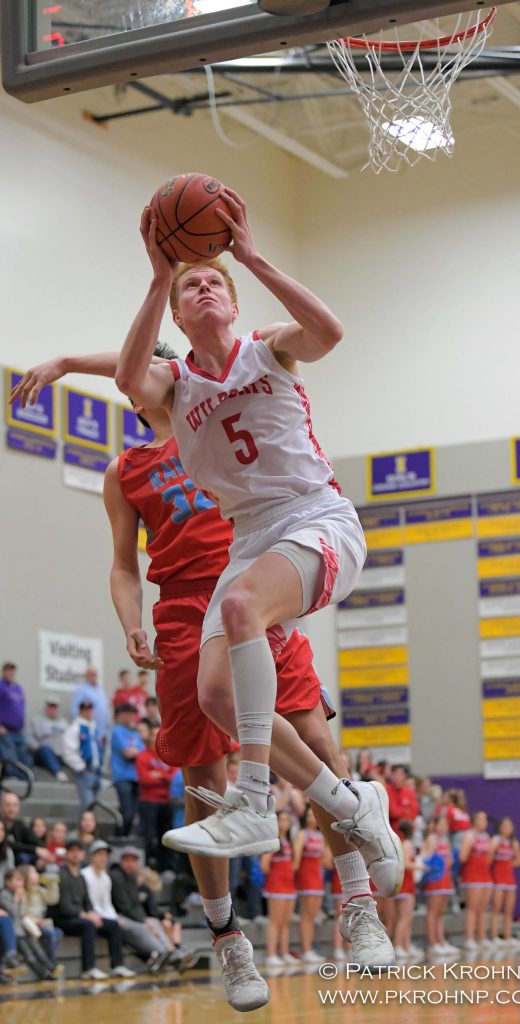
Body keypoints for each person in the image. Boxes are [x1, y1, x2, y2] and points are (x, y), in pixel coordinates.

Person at [12, 336, 399, 998]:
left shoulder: (214, 433)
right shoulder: (125, 470)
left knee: (317, 744)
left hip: (256, 587)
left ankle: (359, 905)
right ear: (136, 391)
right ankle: (228, 939)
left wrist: (72, 361)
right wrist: (131, 622)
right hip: (185, 615)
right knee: (204, 784)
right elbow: (121, 564)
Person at [51, 836, 129, 980]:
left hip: (80, 917)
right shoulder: (61, 874)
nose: (75, 854)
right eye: (72, 851)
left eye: (78, 851)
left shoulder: (81, 877)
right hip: (64, 919)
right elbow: (64, 906)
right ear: (66, 854)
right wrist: (85, 915)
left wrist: (93, 914)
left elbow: (88, 902)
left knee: (113, 925)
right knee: (88, 925)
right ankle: (88, 968)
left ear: (83, 854)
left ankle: (117, 965)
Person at [110, 846, 197, 973]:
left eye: (133, 860)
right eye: (127, 860)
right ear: (121, 861)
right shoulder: (116, 877)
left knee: (154, 922)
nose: (130, 864)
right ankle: (166, 953)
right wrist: (143, 921)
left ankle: (170, 952)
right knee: (146, 926)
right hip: (117, 915)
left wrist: (145, 919)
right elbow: (124, 906)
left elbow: (137, 906)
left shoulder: (132, 878)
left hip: (131, 915)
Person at [0, 868, 55, 979]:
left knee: (37, 949)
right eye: (17, 880)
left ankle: (50, 967)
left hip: (24, 929)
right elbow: (14, 912)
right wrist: (16, 899)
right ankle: (43, 973)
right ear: (7, 881)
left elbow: (22, 912)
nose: (20, 883)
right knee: (29, 955)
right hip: (15, 931)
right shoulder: (4, 895)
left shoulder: (20, 893)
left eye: (21, 880)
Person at [136, 726, 176, 872]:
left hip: (166, 801)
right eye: (153, 735)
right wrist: (164, 777)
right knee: (148, 835)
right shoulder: (143, 756)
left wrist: (159, 775)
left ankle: (164, 867)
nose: (156, 738)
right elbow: (145, 779)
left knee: (166, 836)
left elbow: (175, 777)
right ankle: (144, 865)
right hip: (148, 801)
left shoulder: (169, 756)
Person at [261, 811, 297, 967]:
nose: (284, 823)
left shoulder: (289, 841)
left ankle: (284, 952)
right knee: (275, 921)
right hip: (276, 884)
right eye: (281, 819)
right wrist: (276, 875)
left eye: (287, 820)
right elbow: (264, 865)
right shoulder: (272, 841)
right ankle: (271, 954)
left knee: (285, 921)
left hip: (289, 884)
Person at [421, 815, 458, 957]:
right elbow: (426, 858)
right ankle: (432, 943)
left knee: (440, 912)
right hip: (435, 880)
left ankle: (441, 941)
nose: (444, 827)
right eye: (441, 824)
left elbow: (449, 860)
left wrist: (449, 859)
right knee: (433, 912)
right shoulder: (432, 839)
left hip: (446, 879)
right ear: (435, 826)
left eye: (446, 825)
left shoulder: (446, 840)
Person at [293, 804, 325, 963]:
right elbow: (296, 860)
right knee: (306, 915)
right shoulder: (302, 834)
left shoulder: (321, 836)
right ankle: (306, 949)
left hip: (317, 877)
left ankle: (310, 948)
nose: (311, 818)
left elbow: (325, 861)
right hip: (306, 877)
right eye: (309, 816)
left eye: (314, 815)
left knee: (313, 915)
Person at [459, 811, 493, 951]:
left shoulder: (486, 836)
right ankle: (469, 938)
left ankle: (482, 937)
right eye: (481, 818)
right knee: (472, 908)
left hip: (485, 875)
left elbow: (489, 857)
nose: (484, 821)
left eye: (485, 819)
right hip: (472, 876)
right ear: (474, 820)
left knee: (483, 909)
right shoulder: (469, 835)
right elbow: (462, 857)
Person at [18, 864, 62, 969]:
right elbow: (21, 913)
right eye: (34, 872)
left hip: (40, 924)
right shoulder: (22, 892)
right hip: (28, 925)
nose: (38, 874)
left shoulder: (38, 890)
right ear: (25, 876)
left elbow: (53, 899)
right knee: (49, 933)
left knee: (58, 932)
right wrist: (36, 921)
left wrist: (52, 883)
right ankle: (51, 964)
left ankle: (48, 960)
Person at [110, 703, 145, 835]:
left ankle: (122, 837)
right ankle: (119, 837)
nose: (132, 717)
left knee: (132, 813)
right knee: (127, 812)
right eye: (130, 714)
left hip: (136, 777)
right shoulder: (117, 731)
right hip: (122, 777)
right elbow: (127, 753)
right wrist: (137, 752)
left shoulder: (135, 733)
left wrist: (136, 752)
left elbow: (142, 752)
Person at [62, 701, 103, 810]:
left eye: (90, 710)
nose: (89, 712)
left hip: (96, 771)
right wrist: (81, 767)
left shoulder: (95, 728)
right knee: (87, 806)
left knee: (94, 806)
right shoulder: (75, 728)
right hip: (85, 771)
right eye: (86, 710)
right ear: (81, 711)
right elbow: (68, 751)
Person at [490, 817, 520, 949]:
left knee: (509, 910)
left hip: (509, 879)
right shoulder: (496, 840)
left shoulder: (513, 842)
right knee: (496, 908)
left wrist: (507, 864)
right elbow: (488, 858)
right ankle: (494, 936)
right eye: (505, 826)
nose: (507, 829)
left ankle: (508, 935)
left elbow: (519, 860)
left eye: (509, 826)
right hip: (497, 878)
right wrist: (499, 863)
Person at [0, 792, 53, 867]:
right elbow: (10, 844)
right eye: (8, 805)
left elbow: (34, 840)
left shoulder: (19, 824)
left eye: (15, 805)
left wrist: (42, 852)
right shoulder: (0, 824)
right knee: (23, 857)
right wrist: (35, 849)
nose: (12, 809)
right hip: (4, 862)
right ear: (1, 806)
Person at [0, 663, 34, 780]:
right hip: (5, 730)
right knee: (10, 756)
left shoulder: (18, 688)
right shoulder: (1, 686)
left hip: (18, 731)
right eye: (8, 671)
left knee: (24, 756)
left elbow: (21, 707)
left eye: (12, 671)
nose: (11, 674)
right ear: (3, 671)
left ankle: (25, 779)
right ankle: (13, 778)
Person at [392, 820, 419, 960]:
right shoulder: (407, 844)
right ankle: (398, 945)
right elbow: (406, 863)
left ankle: (405, 945)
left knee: (407, 917)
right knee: (404, 917)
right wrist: (421, 866)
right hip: (405, 883)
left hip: (406, 883)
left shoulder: (403, 844)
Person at [26, 698, 69, 782]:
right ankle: (57, 772)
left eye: (54, 707)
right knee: (45, 749)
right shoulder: (37, 720)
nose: (52, 709)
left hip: (60, 755)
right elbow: (28, 737)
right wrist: (37, 746)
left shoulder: (63, 723)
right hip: (42, 754)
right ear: (46, 707)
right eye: (50, 706)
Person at [70, 667, 111, 743]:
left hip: (103, 732)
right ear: (86, 676)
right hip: (89, 732)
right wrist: (82, 728)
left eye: (95, 674)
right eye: (91, 674)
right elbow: (74, 710)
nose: (93, 676)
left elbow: (106, 709)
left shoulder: (101, 690)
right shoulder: (81, 690)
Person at [385, 766, 420, 836]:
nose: (397, 777)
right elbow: (393, 812)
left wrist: (402, 813)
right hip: (392, 832)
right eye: (395, 774)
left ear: (404, 776)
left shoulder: (409, 793)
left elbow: (414, 812)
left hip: (408, 831)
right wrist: (405, 810)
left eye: (400, 775)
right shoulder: (388, 791)